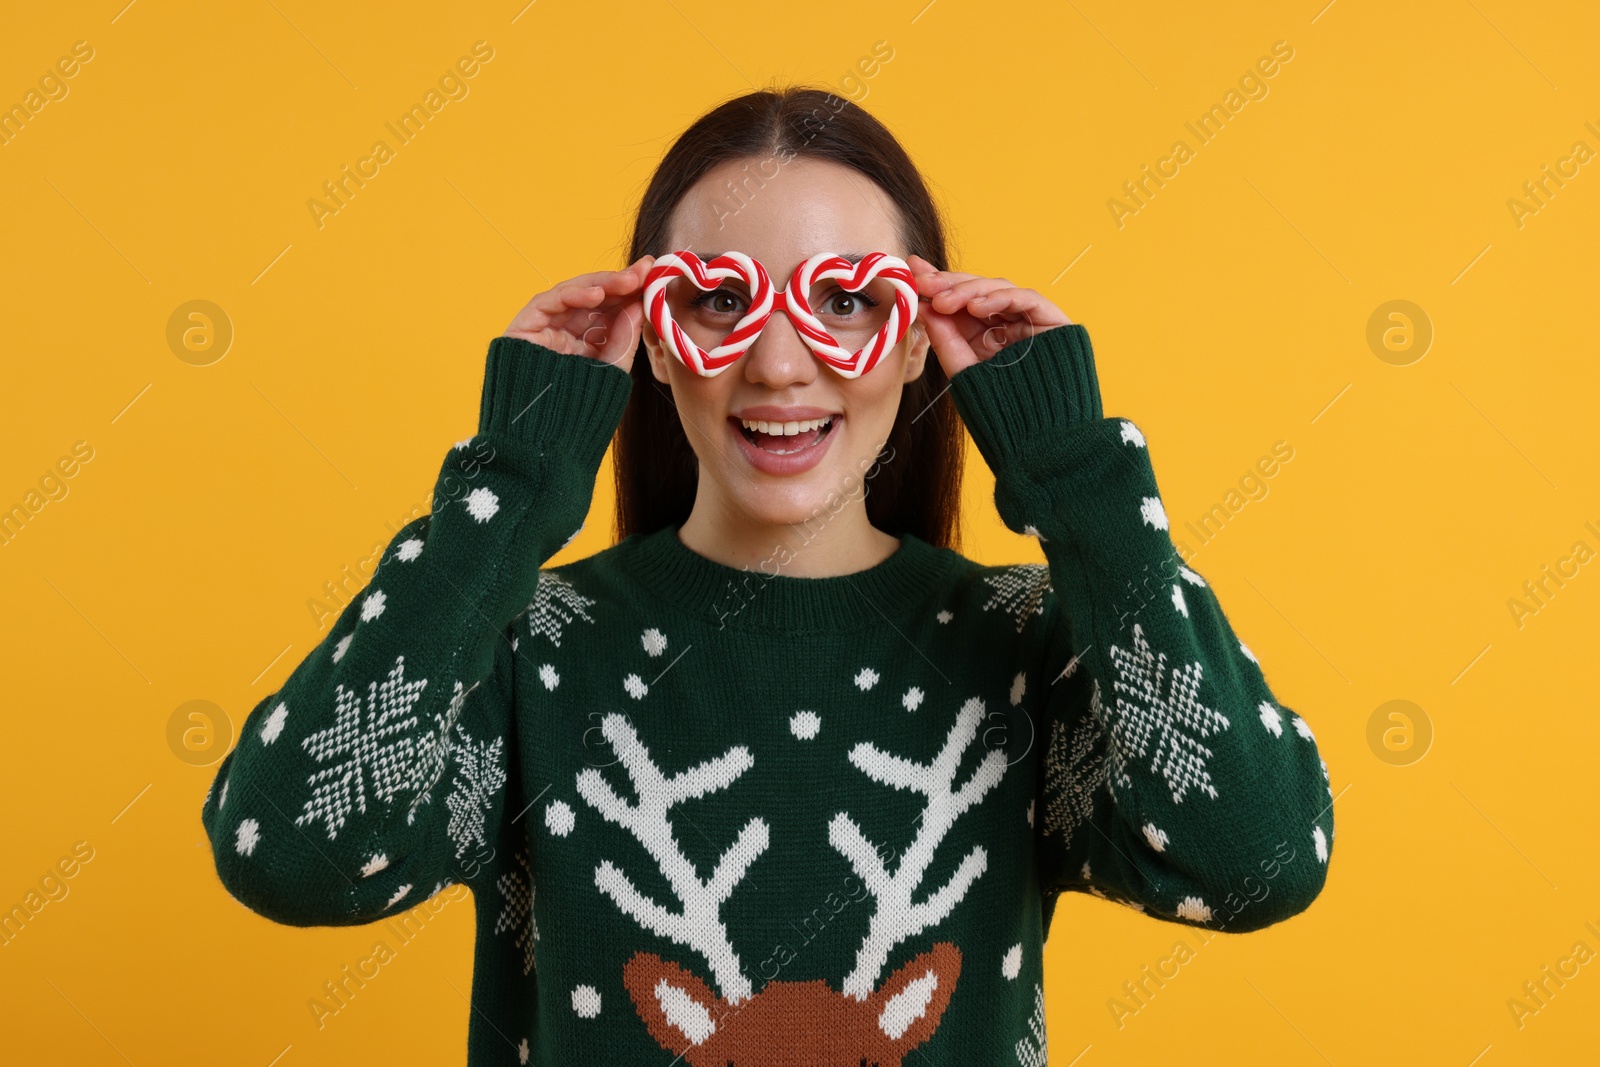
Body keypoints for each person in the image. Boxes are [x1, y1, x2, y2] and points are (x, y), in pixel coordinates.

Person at [201, 86, 1333, 1065]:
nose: (779, 362)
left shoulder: (1023, 645)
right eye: (719, 301)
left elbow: (1255, 858)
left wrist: (1080, 481)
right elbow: (296, 851)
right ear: (652, 336)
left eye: (844, 301)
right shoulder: (529, 644)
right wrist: (507, 489)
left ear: (910, 337)